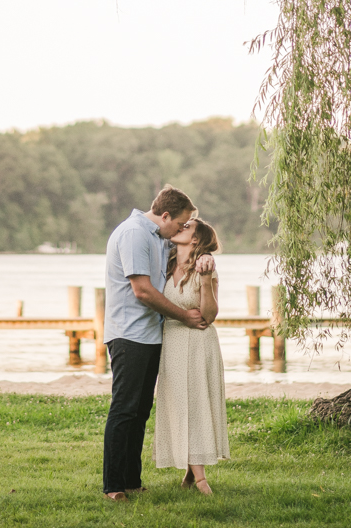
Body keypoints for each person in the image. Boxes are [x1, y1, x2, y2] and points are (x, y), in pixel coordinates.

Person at [101, 185, 211, 503]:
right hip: (129, 334)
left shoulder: (157, 237)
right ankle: (113, 486)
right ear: (165, 216)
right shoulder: (135, 233)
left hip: (149, 335)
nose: (180, 229)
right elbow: (143, 291)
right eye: (179, 224)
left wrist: (203, 261)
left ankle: (131, 480)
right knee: (124, 409)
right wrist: (185, 317)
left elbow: (185, 259)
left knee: (140, 410)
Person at [153, 218, 229, 495]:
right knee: (178, 403)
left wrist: (206, 281)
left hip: (198, 341)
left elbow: (208, 315)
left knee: (196, 402)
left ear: (196, 240)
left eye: (187, 228)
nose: (180, 228)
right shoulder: (165, 262)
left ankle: (200, 478)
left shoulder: (205, 269)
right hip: (171, 341)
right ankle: (190, 471)